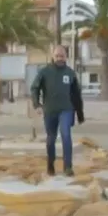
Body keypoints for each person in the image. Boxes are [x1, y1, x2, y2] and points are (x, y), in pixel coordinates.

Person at [30, 45, 85, 176]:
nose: (60, 58)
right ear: (52, 56)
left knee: (66, 134)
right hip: (50, 110)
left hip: (66, 109)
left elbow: (76, 95)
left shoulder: (70, 73)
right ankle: (50, 164)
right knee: (51, 139)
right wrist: (37, 104)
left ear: (66, 57)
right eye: (57, 56)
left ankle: (68, 167)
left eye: (62, 56)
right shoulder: (44, 72)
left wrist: (80, 114)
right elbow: (34, 88)